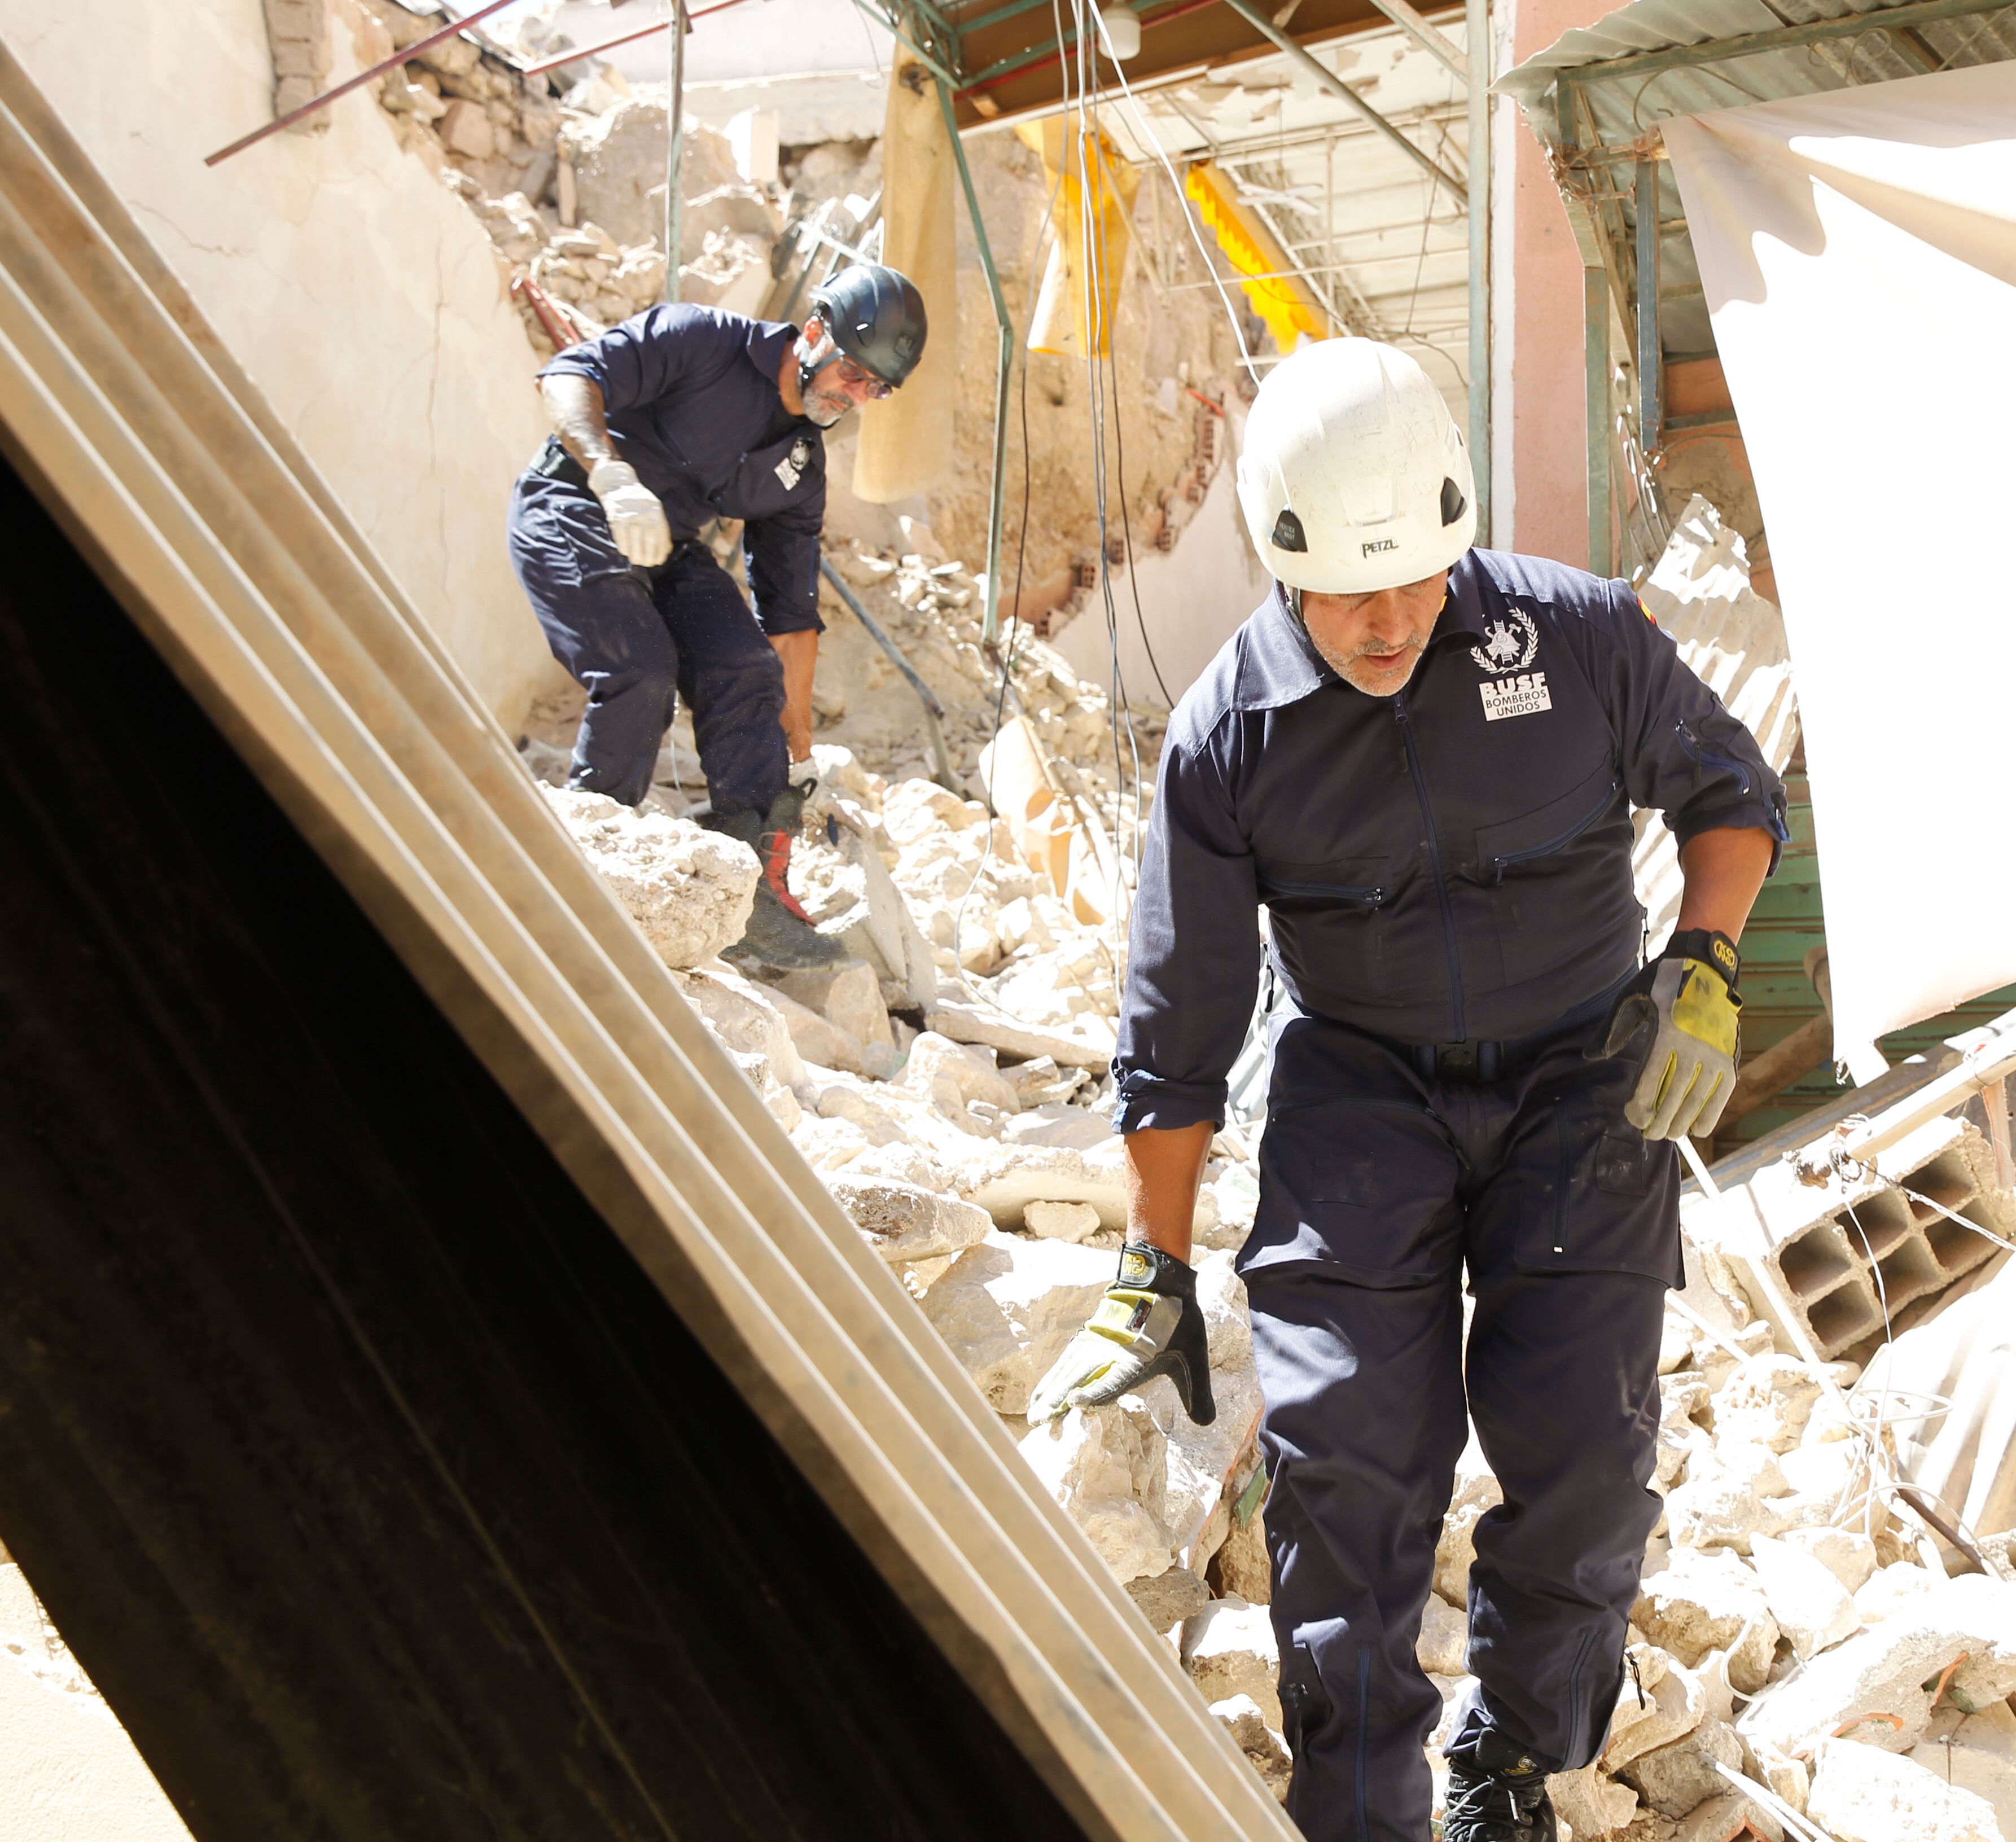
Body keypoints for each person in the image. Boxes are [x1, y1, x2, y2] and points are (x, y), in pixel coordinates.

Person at [1030, 339, 1788, 1841]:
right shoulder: (1226, 736)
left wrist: (1703, 962)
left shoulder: (1569, 636)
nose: (1384, 623)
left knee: (1584, 1453)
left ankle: (1510, 1768)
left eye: (1414, 580)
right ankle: (1358, 1812)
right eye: (1345, 592)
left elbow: (1729, 790)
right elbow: (1178, 1023)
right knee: (1347, 1468)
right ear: (1278, 558)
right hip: (1359, 1098)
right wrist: (1153, 1264)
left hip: (1586, 1086)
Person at [508, 262, 926, 971]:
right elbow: (569, 376)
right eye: (854, 374)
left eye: (877, 389)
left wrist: (798, 750)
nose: (859, 397)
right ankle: (574, 865)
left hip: (665, 544)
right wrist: (610, 473)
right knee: (640, 672)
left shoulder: (800, 465)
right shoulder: (702, 340)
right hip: (575, 503)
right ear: (816, 334)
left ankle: (751, 895)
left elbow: (791, 619)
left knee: (744, 665)